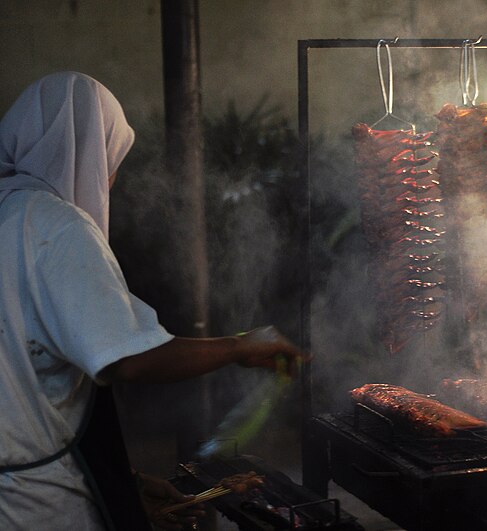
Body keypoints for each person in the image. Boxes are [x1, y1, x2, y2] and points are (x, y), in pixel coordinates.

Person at [0, 71, 306, 530]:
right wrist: (240, 346)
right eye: (113, 157)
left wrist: (127, 479)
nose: (113, 175)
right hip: (35, 506)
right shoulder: (57, 228)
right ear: (90, 152)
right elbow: (128, 359)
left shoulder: (10, 211)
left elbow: (24, 387)